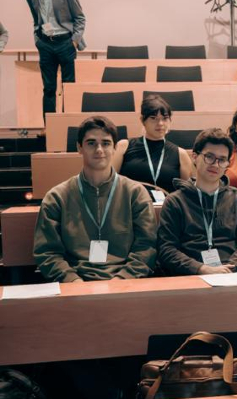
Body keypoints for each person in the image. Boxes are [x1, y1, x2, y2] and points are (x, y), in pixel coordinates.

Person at [34, 115, 156, 281]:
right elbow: (48, 252)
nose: (99, 149)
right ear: (79, 147)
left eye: (106, 143)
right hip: (75, 282)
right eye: (91, 143)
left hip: (126, 282)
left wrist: (123, 280)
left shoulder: (135, 193)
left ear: (114, 148)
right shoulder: (57, 197)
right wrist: (72, 280)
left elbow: (146, 247)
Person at [157, 128, 237, 276]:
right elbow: (166, 249)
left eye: (222, 160)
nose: (215, 165)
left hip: (233, 275)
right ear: (195, 157)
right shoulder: (175, 201)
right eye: (209, 157)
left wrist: (228, 270)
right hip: (190, 276)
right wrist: (201, 269)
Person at [24, 0, 85, 114]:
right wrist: (38, 40)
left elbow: (80, 18)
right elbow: (36, 20)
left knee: (68, 86)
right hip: (45, 44)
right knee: (49, 88)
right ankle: (49, 125)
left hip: (66, 43)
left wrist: (74, 41)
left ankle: (67, 122)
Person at [112, 94, 193, 200]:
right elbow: (110, 183)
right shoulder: (124, 146)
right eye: (153, 118)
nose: (160, 123)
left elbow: (186, 195)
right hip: (130, 206)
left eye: (165, 118)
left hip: (166, 208)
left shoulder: (180, 154)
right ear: (142, 120)